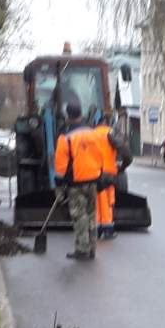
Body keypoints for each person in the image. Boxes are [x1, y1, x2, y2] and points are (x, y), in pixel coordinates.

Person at [53, 100, 101, 260]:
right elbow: (99, 156)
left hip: (76, 183)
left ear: (68, 116)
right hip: (93, 181)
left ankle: (82, 249)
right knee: (92, 214)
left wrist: (59, 186)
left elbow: (60, 167)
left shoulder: (65, 138)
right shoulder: (93, 133)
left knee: (79, 216)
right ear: (81, 114)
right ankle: (92, 247)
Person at [94, 114, 132, 240]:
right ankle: (108, 229)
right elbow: (125, 152)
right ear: (108, 123)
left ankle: (96, 229)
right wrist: (122, 167)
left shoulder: (90, 134)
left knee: (96, 201)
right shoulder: (111, 133)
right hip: (108, 174)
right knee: (106, 202)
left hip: (92, 173)